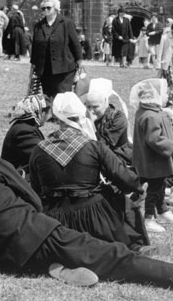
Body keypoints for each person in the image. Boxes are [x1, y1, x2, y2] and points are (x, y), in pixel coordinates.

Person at [0, 134, 173, 291]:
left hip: (7, 262)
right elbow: (32, 199)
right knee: (114, 255)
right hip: (36, 231)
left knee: (80, 255)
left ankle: (55, 267)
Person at [29, 93, 151, 254]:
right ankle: (134, 244)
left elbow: (36, 189)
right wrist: (138, 186)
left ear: (58, 120)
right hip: (94, 217)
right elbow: (123, 177)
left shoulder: (39, 150)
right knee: (118, 199)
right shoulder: (93, 146)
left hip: (54, 220)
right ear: (81, 118)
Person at [131, 79, 173, 233]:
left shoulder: (151, 111)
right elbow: (154, 139)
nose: (167, 94)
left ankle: (162, 211)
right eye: (164, 92)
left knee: (161, 185)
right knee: (153, 189)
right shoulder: (150, 116)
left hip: (156, 160)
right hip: (152, 161)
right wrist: (172, 146)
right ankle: (149, 217)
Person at [30, 0, 84, 98]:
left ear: (56, 9)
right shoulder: (38, 25)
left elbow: (75, 43)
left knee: (62, 95)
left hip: (64, 67)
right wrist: (33, 63)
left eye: (48, 7)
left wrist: (79, 60)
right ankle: (50, 113)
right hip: (45, 68)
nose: (45, 10)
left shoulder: (66, 23)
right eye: (43, 8)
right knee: (48, 95)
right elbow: (35, 46)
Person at [79, 77, 133, 165]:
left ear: (105, 103)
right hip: (93, 154)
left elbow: (104, 146)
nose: (91, 111)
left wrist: (91, 125)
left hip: (117, 157)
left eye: (95, 107)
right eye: (88, 107)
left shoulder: (118, 118)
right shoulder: (84, 117)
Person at [1, 94, 49, 176]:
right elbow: (41, 156)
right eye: (45, 112)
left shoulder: (23, 126)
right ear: (37, 112)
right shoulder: (24, 132)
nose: (46, 116)